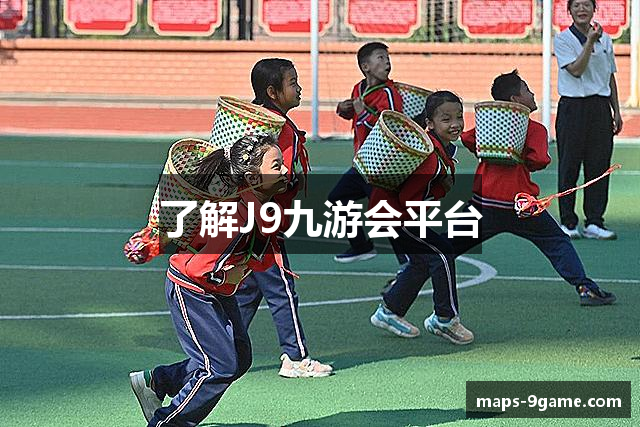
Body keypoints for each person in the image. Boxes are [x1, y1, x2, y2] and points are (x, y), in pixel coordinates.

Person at [129, 134, 290, 426]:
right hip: (191, 290)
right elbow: (200, 268)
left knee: (239, 357)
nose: (285, 169)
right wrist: (232, 273)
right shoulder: (239, 216)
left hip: (216, 291)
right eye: (276, 165)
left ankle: (158, 381)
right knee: (220, 366)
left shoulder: (256, 206)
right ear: (253, 177)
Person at [447, 70, 614, 307]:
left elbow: (468, 139)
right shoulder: (534, 128)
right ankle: (585, 288)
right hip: (521, 205)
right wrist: (522, 157)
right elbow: (540, 160)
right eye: (527, 90)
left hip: (485, 201)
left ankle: (406, 277)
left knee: (447, 245)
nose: (533, 93)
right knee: (556, 241)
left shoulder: (489, 123)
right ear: (515, 99)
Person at [234, 58, 333, 378]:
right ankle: (296, 356)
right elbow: (279, 177)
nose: (300, 88)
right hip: (265, 225)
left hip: (247, 218)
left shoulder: (253, 121)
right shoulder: (279, 130)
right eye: (293, 83)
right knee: (282, 290)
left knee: (248, 291)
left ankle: (224, 347)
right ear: (272, 92)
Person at [368, 91, 474, 345]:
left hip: (392, 212)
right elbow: (408, 199)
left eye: (459, 116)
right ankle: (445, 318)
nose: (455, 124)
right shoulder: (429, 157)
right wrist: (440, 190)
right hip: (397, 215)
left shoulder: (441, 149)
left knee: (420, 262)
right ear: (430, 123)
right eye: (446, 119)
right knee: (442, 253)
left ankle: (389, 311)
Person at [329, 41, 407, 264]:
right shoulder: (359, 88)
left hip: (383, 165)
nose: (387, 62)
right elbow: (354, 116)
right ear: (366, 66)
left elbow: (393, 127)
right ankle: (361, 246)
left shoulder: (389, 93)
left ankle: (409, 265)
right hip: (362, 163)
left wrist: (363, 113)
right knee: (338, 198)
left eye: (387, 58)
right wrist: (344, 109)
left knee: (387, 216)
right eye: (381, 58)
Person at [554, 0, 623, 240]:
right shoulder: (563, 39)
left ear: (595, 9)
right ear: (569, 11)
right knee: (569, 166)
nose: (581, 10)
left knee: (598, 166)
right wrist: (590, 42)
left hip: (600, 108)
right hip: (573, 108)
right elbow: (576, 70)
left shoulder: (606, 40)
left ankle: (594, 222)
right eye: (576, 6)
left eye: (586, 5)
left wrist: (616, 110)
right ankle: (568, 222)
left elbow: (610, 76)